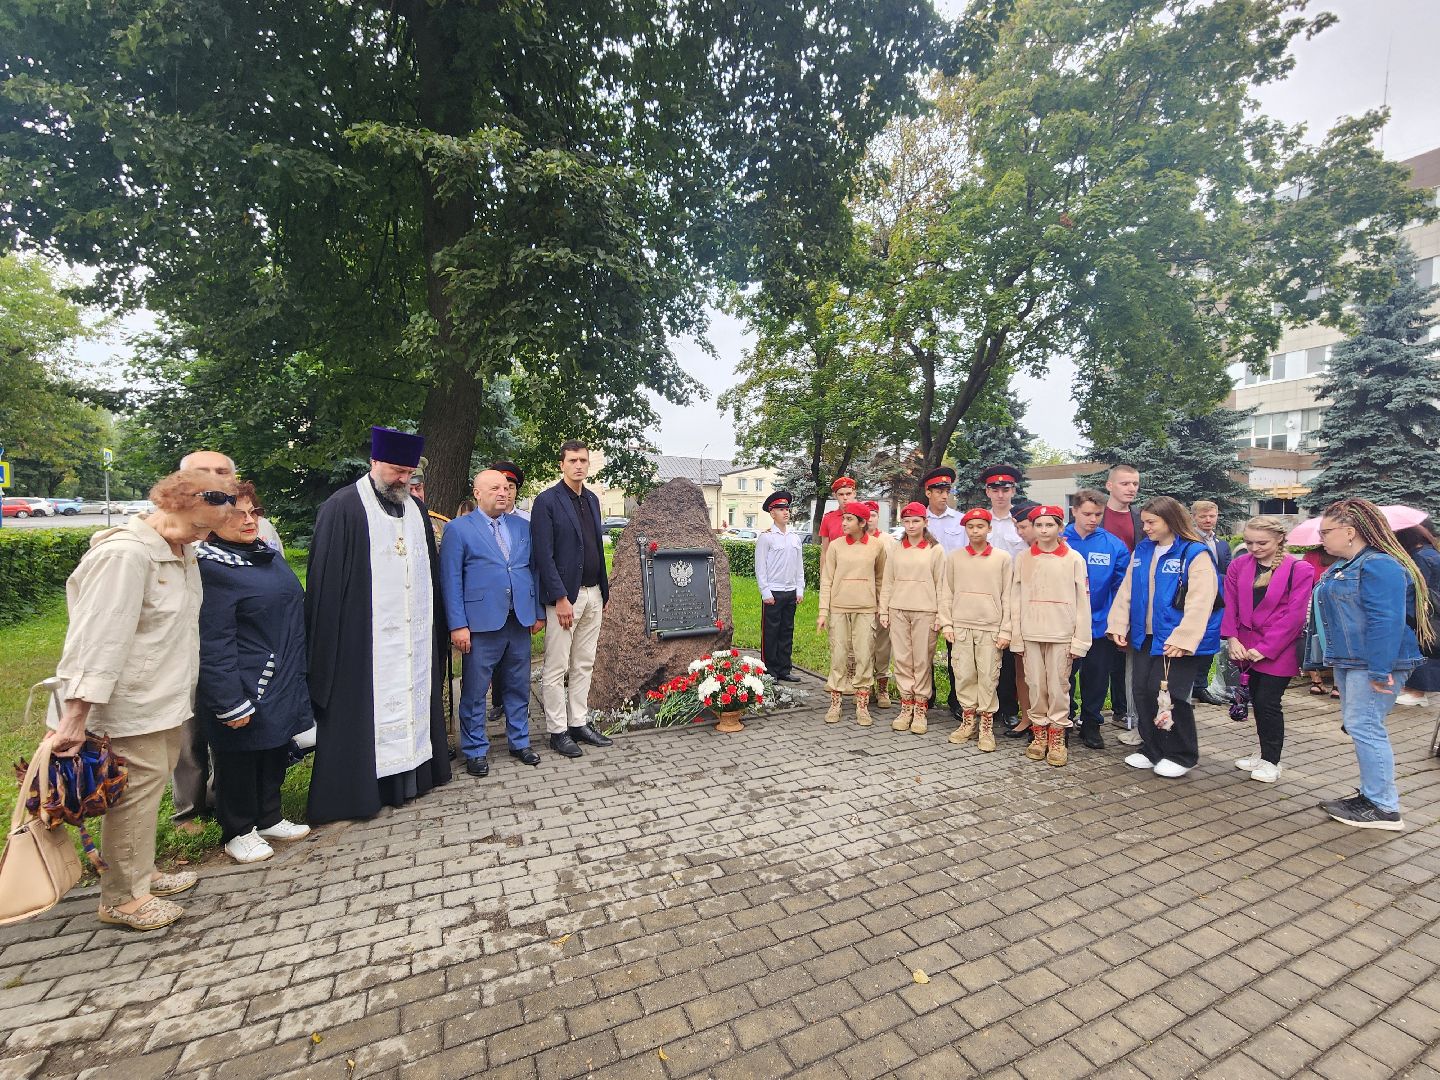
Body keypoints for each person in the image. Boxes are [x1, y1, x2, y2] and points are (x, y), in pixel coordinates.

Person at [47, 469, 238, 930]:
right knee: (132, 799)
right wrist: (75, 717)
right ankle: (122, 899)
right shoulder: (126, 557)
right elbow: (96, 639)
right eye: (200, 524)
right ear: (174, 502)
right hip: (127, 709)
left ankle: (141, 873)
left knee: (146, 795)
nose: (205, 535)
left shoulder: (180, 550)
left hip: (165, 700)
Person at [304, 427, 452, 823]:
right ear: (374, 462)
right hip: (362, 640)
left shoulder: (417, 511)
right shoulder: (343, 508)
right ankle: (364, 792)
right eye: (394, 469)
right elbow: (325, 586)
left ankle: (416, 777)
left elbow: (431, 577)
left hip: (413, 636)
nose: (401, 479)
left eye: (408, 472)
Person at [196, 481, 313, 864]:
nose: (249, 521)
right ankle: (238, 830)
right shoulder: (211, 566)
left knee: (274, 747)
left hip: (282, 674)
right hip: (244, 679)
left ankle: (268, 817)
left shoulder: (265, 554)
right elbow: (213, 640)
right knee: (239, 758)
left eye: (253, 513)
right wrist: (227, 699)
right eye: (237, 514)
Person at [171, 449, 279, 835]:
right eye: (205, 471)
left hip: (236, 653)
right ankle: (189, 810)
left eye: (222, 471)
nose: (214, 477)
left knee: (229, 732)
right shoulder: (179, 526)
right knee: (190, 738)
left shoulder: (243, 521)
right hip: (181, 654)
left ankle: (233, 805)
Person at [1312, 499, 1431, 830]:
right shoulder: (1347, 565)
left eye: (1326, 532)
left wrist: (1380, 671)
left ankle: (1384, 807)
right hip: (1352, 659)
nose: (1321, 538)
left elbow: (1386, 621)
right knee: (1358, 725)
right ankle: (1372, 796)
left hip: (1376, 662)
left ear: (1349, 532)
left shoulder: (1381, 566)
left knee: (1365, 726)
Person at [440, 469, 545, 778]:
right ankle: (474, 749)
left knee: (517, 684)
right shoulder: (459, 530)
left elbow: (532, 570)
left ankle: (519, 741)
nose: (503, 492)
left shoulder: (521, 527)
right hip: (480, 624)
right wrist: (458, 625)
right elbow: (451, 580)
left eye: (506, 488)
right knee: (474, 690)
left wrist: (538, 611)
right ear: (478, 493)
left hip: (519, 618)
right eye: (495, 488)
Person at [1107, 495, 1220, 779]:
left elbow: (1201, 600)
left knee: (1173, 697)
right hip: (1145, 637)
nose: (1145, 528)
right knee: (1143, 693)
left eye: (1151, 522)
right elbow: (1127, 592)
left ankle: (1182, 754)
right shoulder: (1144, 551)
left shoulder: (1194, 552)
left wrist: (1184, 638)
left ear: (1170, 521)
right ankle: (1152, 748)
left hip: (1175, 640)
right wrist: (1118, 624)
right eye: (1143, 522)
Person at [530, 440, 614, 758]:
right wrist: (560, 597)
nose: (578, 465)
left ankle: (579, 722)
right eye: (572, 460)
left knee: (584, 663)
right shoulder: (547, 502)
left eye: (583, 461)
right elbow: (543, 555)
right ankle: (558, 730)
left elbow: (595, 547)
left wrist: (603, 592)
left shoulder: (591, 500)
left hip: (593, 594)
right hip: (566, 599)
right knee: (556, 667)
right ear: (561, 464)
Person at [1220, 515, 1315, 783]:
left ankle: (1272, 760)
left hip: (1279, 647)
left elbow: (1295, 615)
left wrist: (1266, 647)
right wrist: (1232, 639)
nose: (1254, 548)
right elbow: (1230, 605)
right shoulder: (1239, 565)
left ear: (1279, 539)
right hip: (1245, 644)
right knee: (1255, 701)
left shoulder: (1299, 569)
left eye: (1261, 543)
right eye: (1249, 542)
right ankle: (1262, 753)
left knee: (1268, 703)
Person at [1010, 505, 1092, 767]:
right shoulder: (1023, 558)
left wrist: (1080, 640)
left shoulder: (1074, 559)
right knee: (1036, 685)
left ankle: (1057, 735)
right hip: (1031, 632)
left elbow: (1083, 601)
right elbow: (1015, 598)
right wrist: (1017, 636)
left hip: (1061, 633)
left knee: (1058, 686)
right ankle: (1039, 734)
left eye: (1050, 525)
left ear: (1060, 527)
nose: (1044, 530)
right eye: (1039, 525)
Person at [1063, 489, 1131, 749]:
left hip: (1099, 625)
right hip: (1065, 626)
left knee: (1097, 677)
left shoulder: (1113, 545)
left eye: (1098, 515)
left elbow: (1120, 587)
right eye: (1087, 514)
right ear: (1075, 512)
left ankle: (1091, 724)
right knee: (1064, 676)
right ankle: (1065, 720)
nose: (1093, 519)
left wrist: (1116, 622)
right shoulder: (1059, 540)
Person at [944, 508, 1012, 751]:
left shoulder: (1002, 558)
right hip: (961, 626)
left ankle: (986, 726)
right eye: (971, 527)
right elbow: (946, 592)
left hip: (990, 628)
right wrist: (947, 623)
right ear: (965, 529)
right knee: (963, 675)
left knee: (988, 676)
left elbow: (1008, 596)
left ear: (989, 529)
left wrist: (1006, 630)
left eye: (980, 526)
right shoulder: (954, 558)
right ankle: (968, 721)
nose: (975, 531)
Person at [880, 502, 948, 734]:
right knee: (902, 659)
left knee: (921, 661)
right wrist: (884, 610)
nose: (910, 526)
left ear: (925, 522)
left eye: (916, 521)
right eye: (907, 521)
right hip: (898, 609)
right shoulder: (896, 548)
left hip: (925, 611)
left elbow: (942, 585)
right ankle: (906, 705)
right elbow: (888, 581)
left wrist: (941, 615)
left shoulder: (935, 549)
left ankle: (920, 707)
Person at [817, 501, 887, 726]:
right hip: (839, 608)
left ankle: (862, 707)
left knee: (864, 655)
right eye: (843, 518)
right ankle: (835, 703)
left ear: (862, 522)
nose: (843, 523)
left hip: (866, 610)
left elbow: (880, 579)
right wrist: (822, 612)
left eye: (849, 519)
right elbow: (827, 579)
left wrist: (881, 608)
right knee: (838, 656)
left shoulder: (876, 546)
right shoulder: (836, 546)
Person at [921, 467, 966, 722]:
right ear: (928, 492)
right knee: (924, 648)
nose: (943, 495)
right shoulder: (917, 519)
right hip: (925, 591)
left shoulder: (959, 521)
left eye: (947, 490)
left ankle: (957, 700)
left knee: (955, 650)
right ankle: (926, 696)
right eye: (938, 491)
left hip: (953, 592)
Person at [1104, 464, 1143, 740]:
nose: (1131, 489)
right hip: (1100, 596)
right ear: (1110, 486)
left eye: (1135, 484)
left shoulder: (1141, 519)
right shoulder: (1097, 516)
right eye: (1125, 483)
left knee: (1124, 653)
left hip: (1130, 596)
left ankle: (1123, 710)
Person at [755, 489, 805, 683]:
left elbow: (798, 566)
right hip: (773, 592)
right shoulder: (766, 538)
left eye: (787, 508)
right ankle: (770, 670)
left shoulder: (794, 537)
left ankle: (784, 668)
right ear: (772, 512)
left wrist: (799, 589)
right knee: (771, 632)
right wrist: (765, 591)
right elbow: (760, 568)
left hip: (790, 591)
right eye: (781, 509)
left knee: (786, 630)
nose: (786, 512)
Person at [1190, 500, 1234, 706]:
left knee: (1210, 644)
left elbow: (1228, 571)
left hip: (1216, 601)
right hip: (1193, 601)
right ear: (1194, 518)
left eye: (1212, 516)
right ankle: (1187, 686)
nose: (1208, 520)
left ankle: (1200, 685)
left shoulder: (1221, 544)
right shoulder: (1187, 541)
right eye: (1203, 516)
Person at [1396, 523, 1440, 706]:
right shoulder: (1432, 553)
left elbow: (1417, 588)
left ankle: (1417, 692)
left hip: (1424, 611)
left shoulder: (1419, 557)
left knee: (1423, 646)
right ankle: (1413, 689)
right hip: (1434, 610)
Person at [865, 501, 897, 708]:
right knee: (864, 644)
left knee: (883, 646)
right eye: (866, 515)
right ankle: (865, 686)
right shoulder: (857, 541)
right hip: (863, 601)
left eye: (874, 514)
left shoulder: (888, 541)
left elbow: (893, 573)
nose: (870, 519)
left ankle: (883, 687)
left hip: (883, 601)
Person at [1300, 545, 1340, 697]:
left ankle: (1316, 683)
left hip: (1313, 602)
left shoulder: (1310, 555)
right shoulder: (1344, 556)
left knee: (1310, 639)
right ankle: (1338, 686)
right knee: (1337, 642)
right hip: (1336, 604)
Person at [818, 476, 858, 558]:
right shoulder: (828, 518)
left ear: (854, 494)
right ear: (835, 496)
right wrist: (823, 571)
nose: (845, 498)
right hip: (836, 568)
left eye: (848, 494)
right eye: (841, 494)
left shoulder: (863, 517)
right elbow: (825, 552)